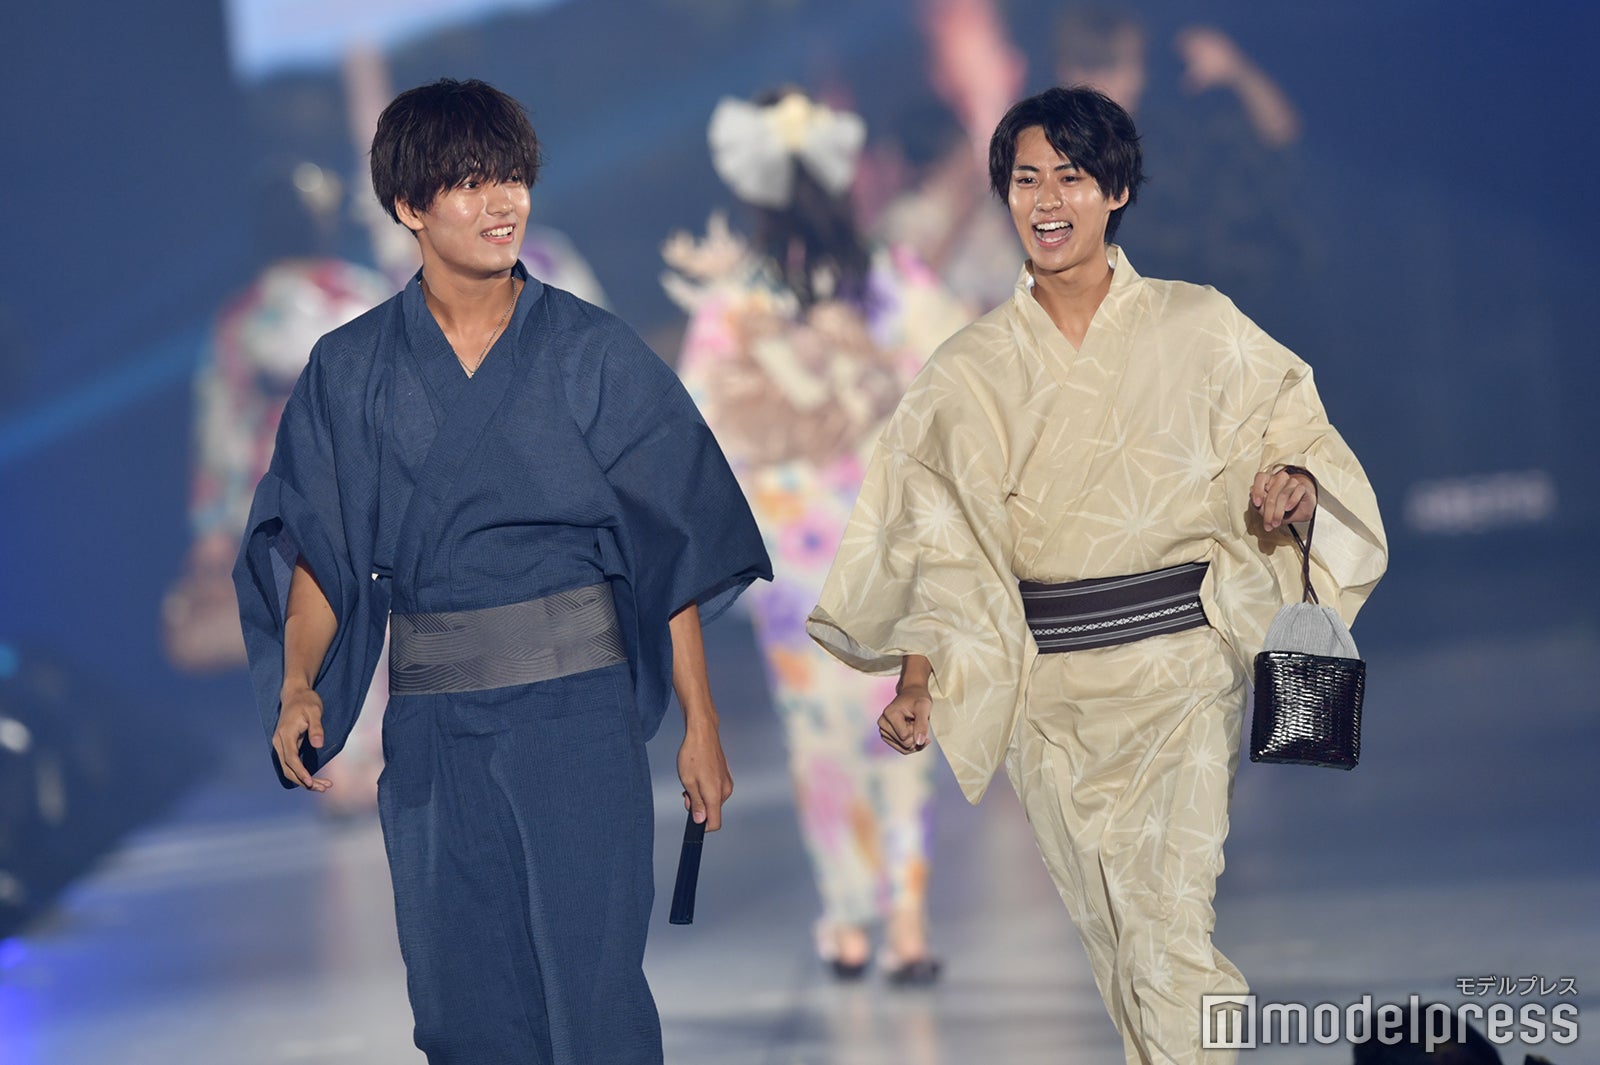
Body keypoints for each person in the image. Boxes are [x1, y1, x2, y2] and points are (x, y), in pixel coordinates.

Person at [807, 86, 1387, 1063]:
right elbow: (938, 538)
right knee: (1116, 940)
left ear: (1115, 190)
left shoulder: (1199, 325)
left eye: (1070, 177)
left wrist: (1293, 481)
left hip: (1180, 675)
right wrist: (916, 678)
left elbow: (1290, 428)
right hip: (1049, 697)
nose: (1046, 199)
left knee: (1167, 929)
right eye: (1025, 179)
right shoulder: (967, 369)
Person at [232, 79, 770, 1065]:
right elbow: (321, 548)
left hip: (579, 714)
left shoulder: (592, 352)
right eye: (471, 182)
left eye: (512, 177)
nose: (501, 202)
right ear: (409, 206)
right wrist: (299, 680)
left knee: (593, 1000)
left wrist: (701, 720)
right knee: (463, 1010)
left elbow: (669, 544)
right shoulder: (349, 369)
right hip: (436, 724)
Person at [663, 89, 971, 984]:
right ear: (842, 180)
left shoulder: (732, 303)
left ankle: (847, 916)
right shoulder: (894, 281)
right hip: (890, 542)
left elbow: (693, 426)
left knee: (820, 739)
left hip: (792, 559)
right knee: (904, 722)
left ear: (756, 193)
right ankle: (907, 917)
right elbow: (967, 377)